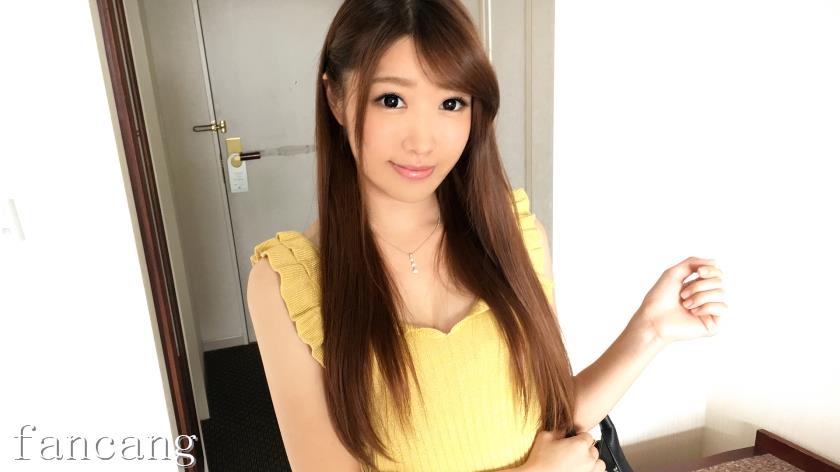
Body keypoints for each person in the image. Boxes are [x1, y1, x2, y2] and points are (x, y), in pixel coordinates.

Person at [246, 1, 727, 471]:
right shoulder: (289, 285)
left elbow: (550, 422)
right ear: (335, 97)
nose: (423, 141)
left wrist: (650, 330)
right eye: (391, 100)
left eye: (451, 103)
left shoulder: (514, 236)